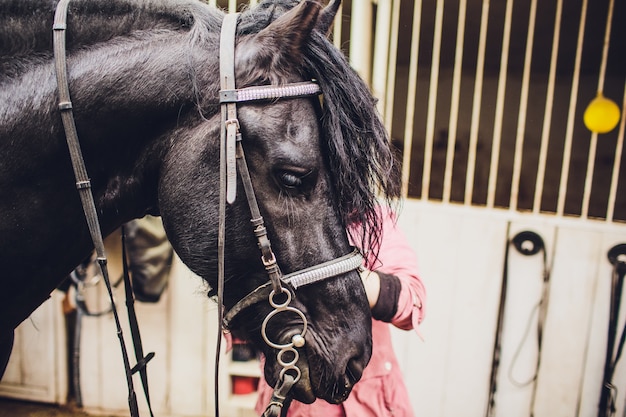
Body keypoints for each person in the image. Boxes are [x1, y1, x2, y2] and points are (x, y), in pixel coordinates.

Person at [255, 205, 426, 417]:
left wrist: (339, 276)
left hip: (368, 402)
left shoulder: (371, 219)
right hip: (293, 398)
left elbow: (412, 301)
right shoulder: (270, 214)